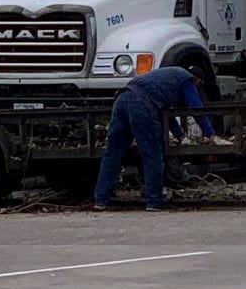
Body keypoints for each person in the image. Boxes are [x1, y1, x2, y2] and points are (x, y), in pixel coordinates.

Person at [92, 65, 216, 212]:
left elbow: (166, 115)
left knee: (112, 153)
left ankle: (100, 200)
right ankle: (154, 202)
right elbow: (197, 108)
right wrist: (211, 135)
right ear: (197, 80)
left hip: (122, 98)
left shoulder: (166, 77)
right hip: (141, 103)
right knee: (152, 154)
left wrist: (181, 136)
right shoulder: (187, 80)